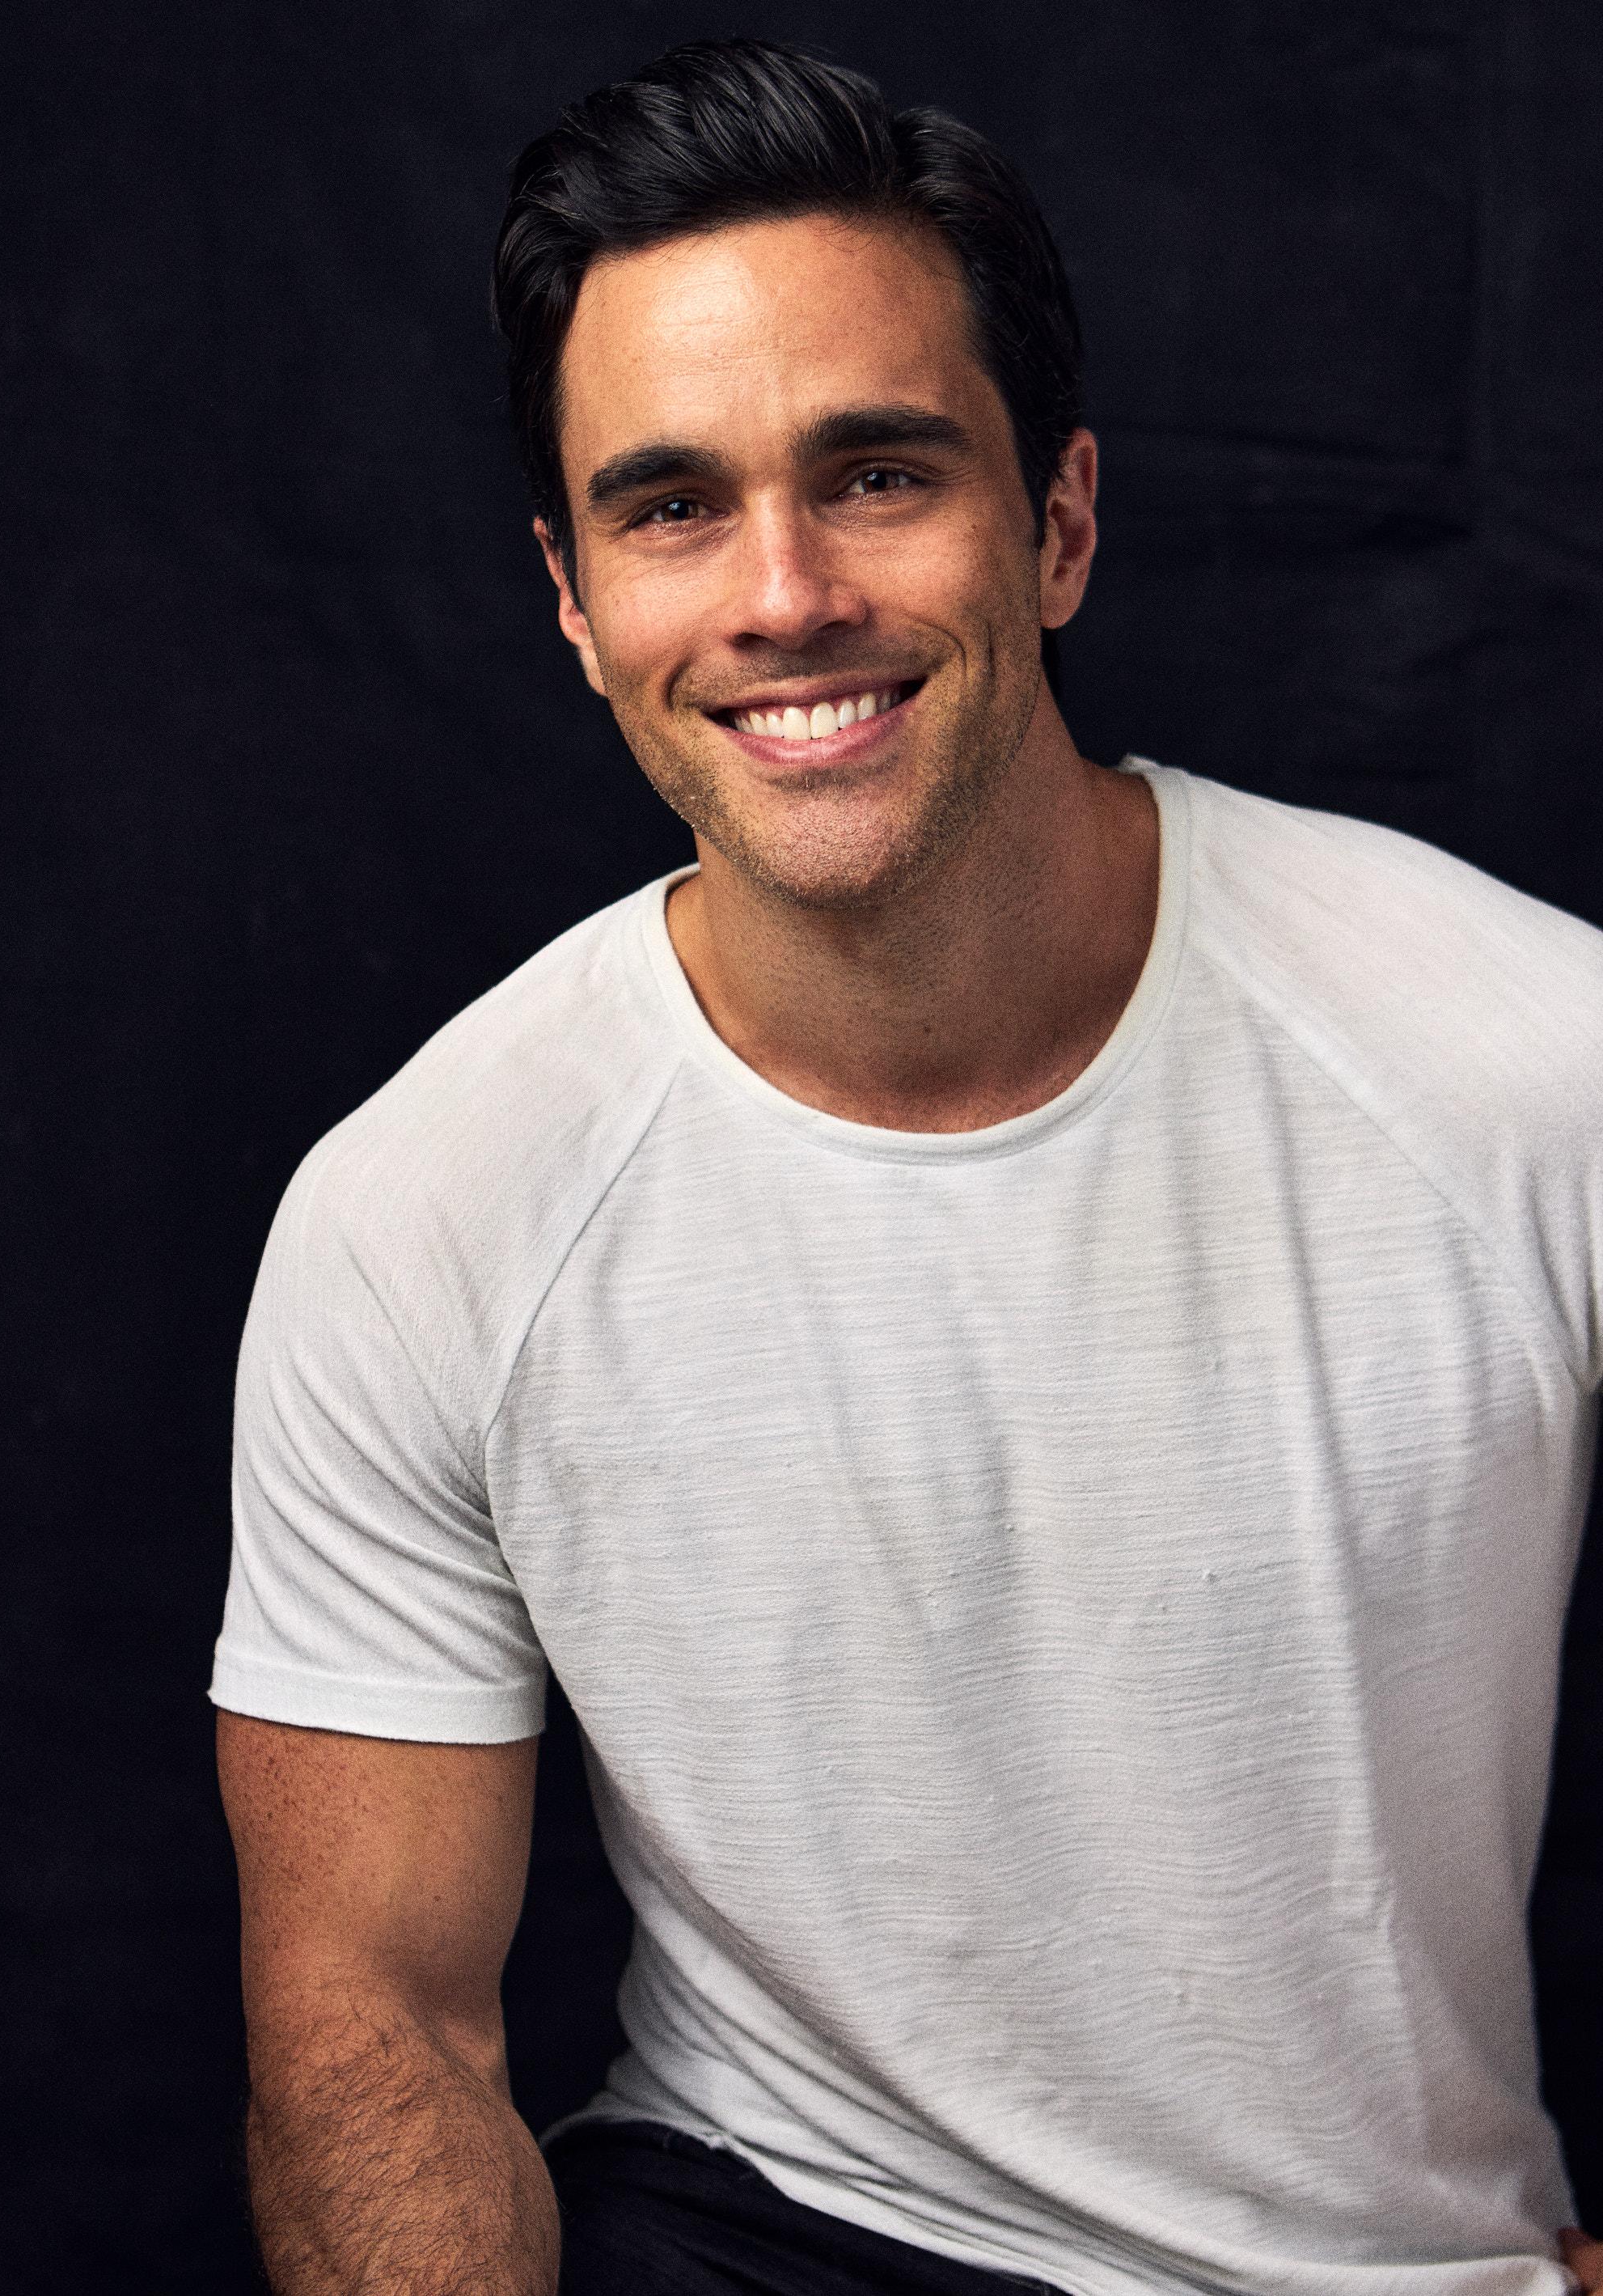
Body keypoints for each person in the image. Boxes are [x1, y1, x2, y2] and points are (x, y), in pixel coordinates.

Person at [211, 37, 1603, 2296]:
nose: (783, 595)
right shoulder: (422, 1217)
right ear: (574, 599)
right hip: (776, 2237)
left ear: (1057, 525)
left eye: (875, 474)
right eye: (672, 508)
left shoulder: (1527, 1064)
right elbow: (380, 2029)